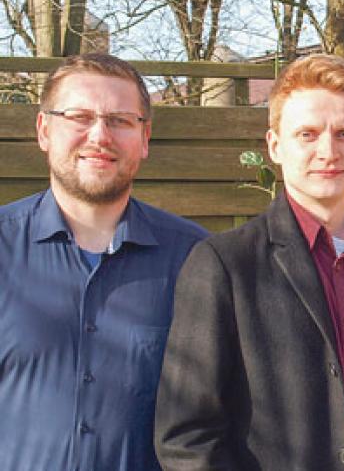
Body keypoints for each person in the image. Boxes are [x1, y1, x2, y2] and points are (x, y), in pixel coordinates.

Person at [154, 55, 344, 470]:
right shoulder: (225, 266)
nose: (328, 150)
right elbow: (186, 438)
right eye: (308, 134)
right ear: (275, 146)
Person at [0, 54, 208, 470]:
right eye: (79, 116)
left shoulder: (196, 261)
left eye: (120, 120)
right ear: (44, 130)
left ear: (144, 138)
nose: (99, 135)